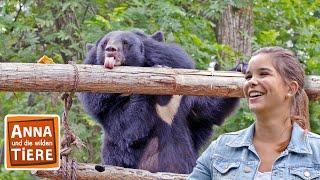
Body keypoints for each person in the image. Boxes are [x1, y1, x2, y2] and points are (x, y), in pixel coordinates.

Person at [188, 47, 320, 180]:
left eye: (263, 74)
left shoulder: (317, 152)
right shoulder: (220, 149)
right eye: (248, 76)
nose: (251, 82)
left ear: (291, 89)